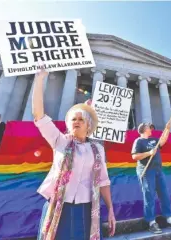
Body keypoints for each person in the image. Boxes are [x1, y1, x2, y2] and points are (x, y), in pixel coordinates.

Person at [33, 69, 116, 240]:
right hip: (58, 207)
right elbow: (39, 115)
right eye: (73, 119)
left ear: (89, 125)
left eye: (81, 119)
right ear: (69, 124)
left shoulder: (98, 149)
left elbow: (103, 181)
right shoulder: (60, 141)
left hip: (86, 210)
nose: (77, 122)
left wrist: (111, 210)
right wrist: (40, 79)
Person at [131, 122, 171, 234]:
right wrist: (149, 153)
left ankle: (169, 220)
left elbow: (162, 140)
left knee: (164, 194)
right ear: (143, 129)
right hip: (146, 171)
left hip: (158, 171)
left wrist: (167, 129)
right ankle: (151, 222)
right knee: (149, 196)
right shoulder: (138, 141)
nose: (151, 129)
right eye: (148, 127)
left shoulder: (154, 140)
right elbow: (134, 156)